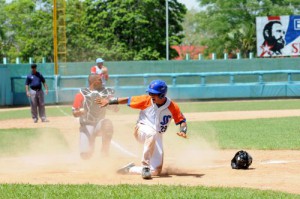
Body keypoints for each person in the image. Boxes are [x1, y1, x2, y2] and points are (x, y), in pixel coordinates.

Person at [95, 79, 187, 179]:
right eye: (150, 92)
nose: (151, 95)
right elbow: (128, 99)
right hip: (141, 129)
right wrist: (109, 101)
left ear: (162, 95)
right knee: (151, 133)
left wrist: (183, 131)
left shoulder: (172, 106)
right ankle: (145, 167)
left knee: (156, 171)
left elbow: (182, 121)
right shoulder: (146, 100)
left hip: (157, 136)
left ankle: (130, 169)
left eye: (154, 93)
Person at [72, 74, 117, 159]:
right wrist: (80, 112)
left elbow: (114, 107)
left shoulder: (105, 93)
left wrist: (112, 105)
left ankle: (104, 152)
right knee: (85, 156)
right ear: (94, 82)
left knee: (107, 124)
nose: (102, 81)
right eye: (100, 80)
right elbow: (74, 112)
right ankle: (90, 145)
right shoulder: (81, 94)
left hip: (99, 124)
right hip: (87, 125)